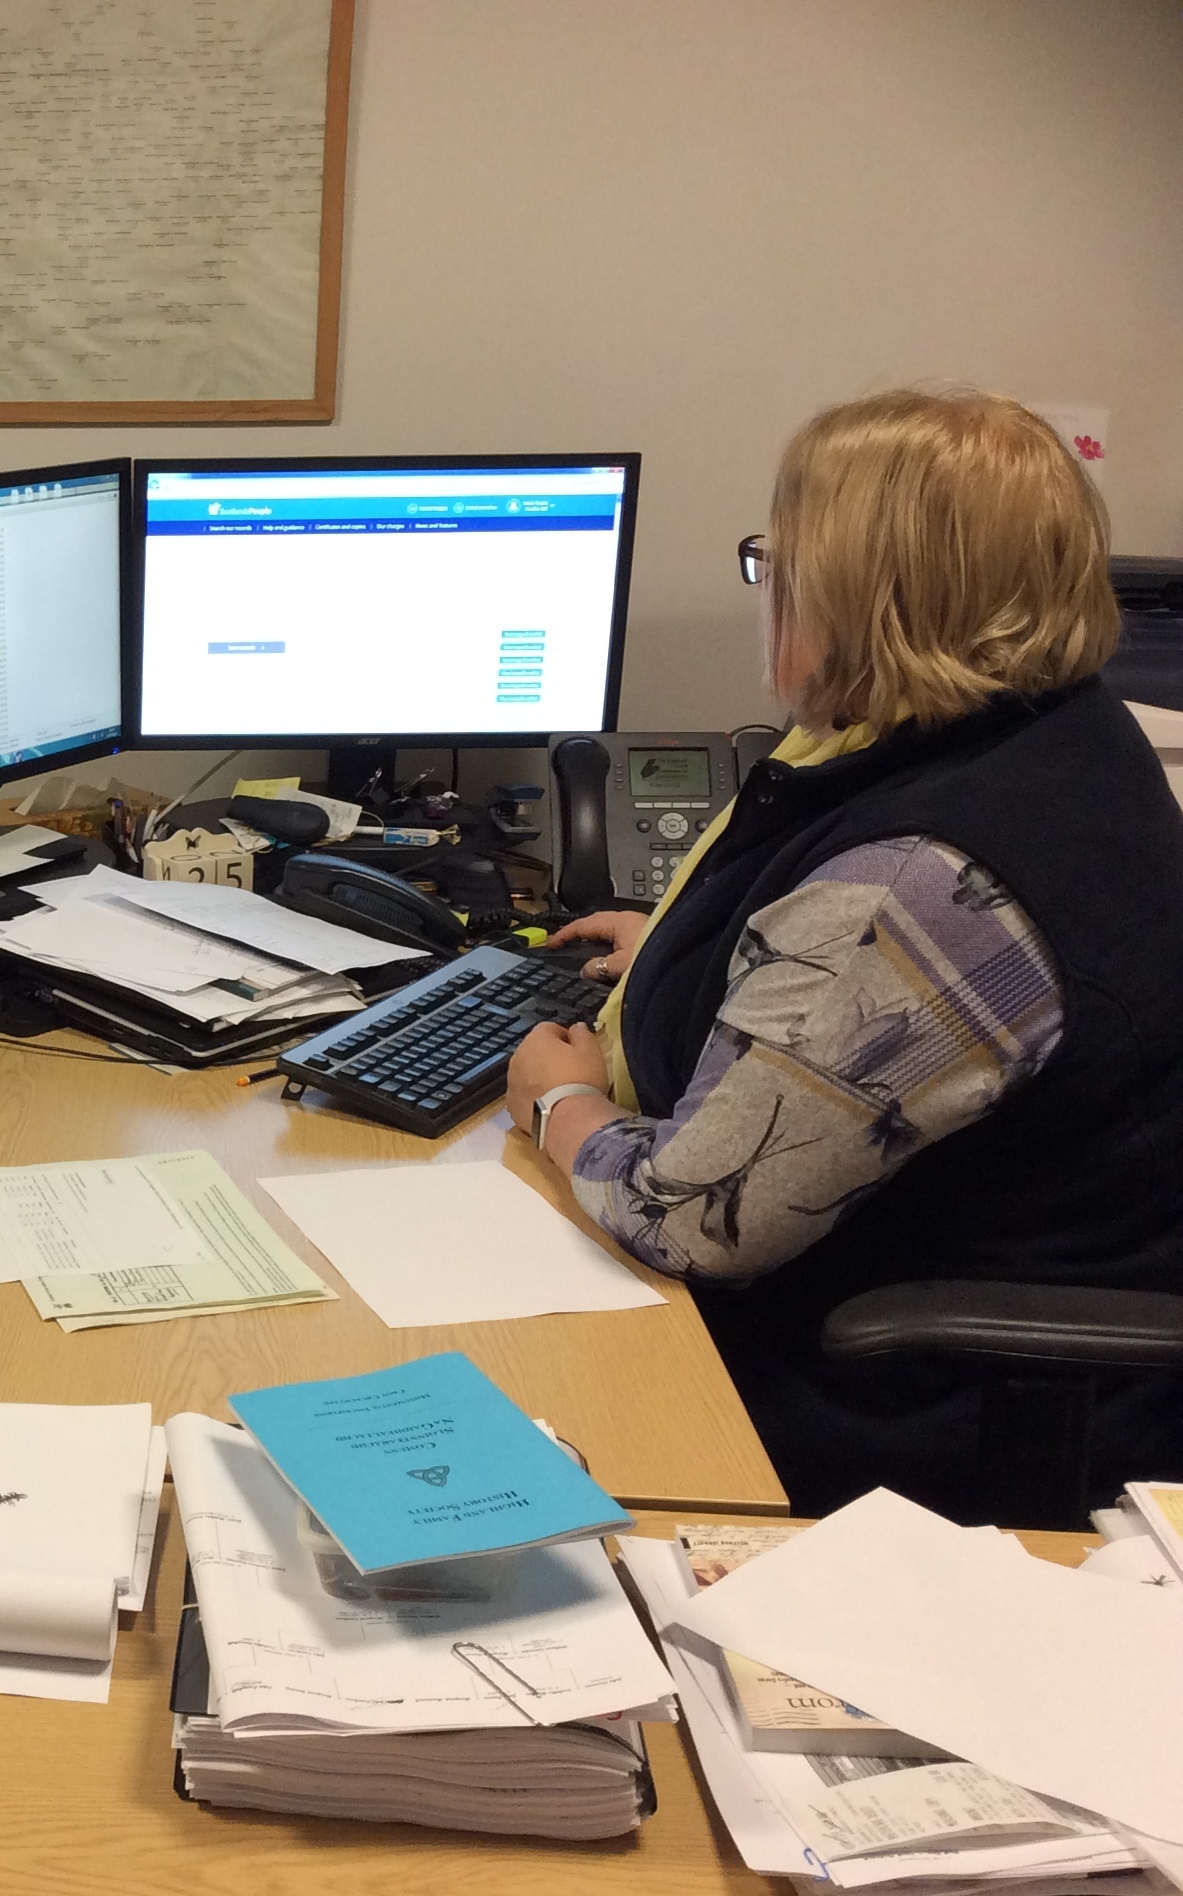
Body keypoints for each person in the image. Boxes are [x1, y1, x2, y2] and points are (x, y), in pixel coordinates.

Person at [504, 387, 1183, 1516]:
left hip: (903, 1410)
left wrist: (559, 1102)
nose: (768, 591)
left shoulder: (921, 888)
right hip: (897, 1298)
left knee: (477, 1402)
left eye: (780, 561)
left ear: (867, 598)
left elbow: (691, 1220)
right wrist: (697, 952)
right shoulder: (1056, 734)